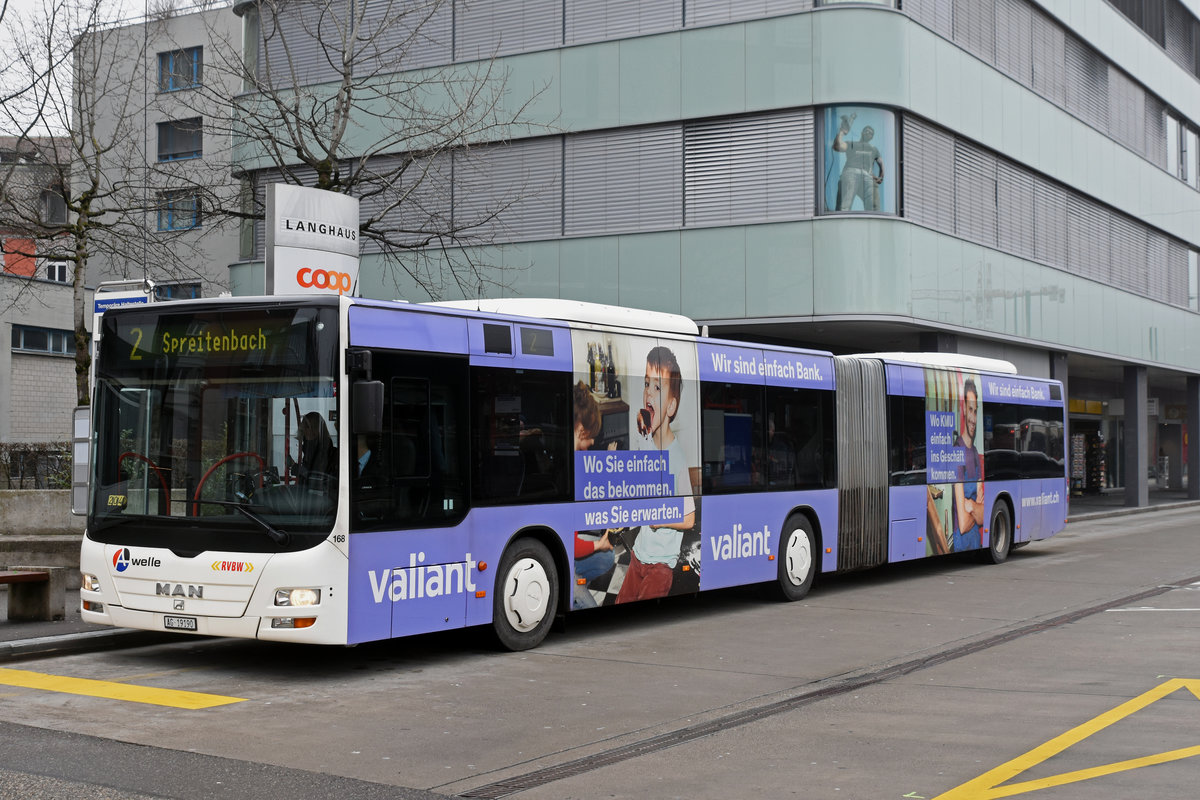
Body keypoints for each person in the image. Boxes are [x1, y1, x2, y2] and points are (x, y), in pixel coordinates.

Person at [616, 346, 696, 604]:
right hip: (639, 554)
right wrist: (625, 520)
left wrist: (661, 521)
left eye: (657, 388)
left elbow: (689, 519)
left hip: (661, 566)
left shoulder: (678, 459)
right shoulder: (647, 443)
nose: (648, 393)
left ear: (671, 406)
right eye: (647, 383)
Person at [572, 382, 615, 609]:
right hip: (566, 547)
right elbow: (570, 542)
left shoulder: (574, 460)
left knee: (607, 558)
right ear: (581, 431)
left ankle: (576, 584)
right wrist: (598, 544)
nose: (590, 445)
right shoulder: (567, 467)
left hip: (567, 546)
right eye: (590, 438)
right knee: (583, 601)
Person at [952, 378, 984, 551]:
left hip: (975, 540)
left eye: (976, 411)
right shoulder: (957, 450)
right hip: (962, 542)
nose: (973, 417)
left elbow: (983, 516)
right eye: (970, 409)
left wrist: (970, 506)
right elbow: (963, 524)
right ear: (964, 409)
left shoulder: (975, 454)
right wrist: (976, 507)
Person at [832, 113, 884, 211]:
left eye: (871, 133)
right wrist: (842, 132)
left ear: (872, 137)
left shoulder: (874, 149)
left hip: (867, 175)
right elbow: (837, 146)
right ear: (862, 132)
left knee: (873, 207)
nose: (868, 133)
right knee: (844, 206)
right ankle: (842, 223)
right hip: (851, 172)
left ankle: (873, 224)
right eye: (866, 131)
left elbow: (881, 163)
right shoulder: (852, 144)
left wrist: (881, 176)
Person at [289, 411, 336, 488]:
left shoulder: (321, 449)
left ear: (315, 429)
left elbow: (315, 474)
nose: (304, 431)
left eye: (307, 426)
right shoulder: (310, 447)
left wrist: (295, 467)